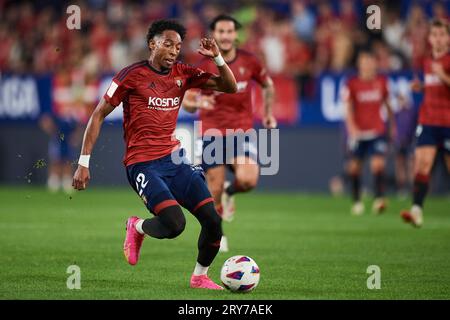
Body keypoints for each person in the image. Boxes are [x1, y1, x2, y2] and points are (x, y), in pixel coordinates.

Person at [72, 20, 237, 290]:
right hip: (142, 164)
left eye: (178, 46)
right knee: (174, 225)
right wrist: (83, 162)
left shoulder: (183, 74)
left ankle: (199, 276)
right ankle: (136, 227)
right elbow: (98, 114)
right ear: (152, 44)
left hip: (175, 160)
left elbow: (229, 87)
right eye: (168, 44)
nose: (174, 51)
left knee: (213, 221)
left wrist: (217, 57)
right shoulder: (130, 76)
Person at [182, 14, 276, 252]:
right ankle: (219, 235)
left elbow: (268, 85)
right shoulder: (202, 65)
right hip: (211, 133)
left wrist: (268, 113)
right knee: (212, 190)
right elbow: (188, 101)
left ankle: (230, 192)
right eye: (220, 31)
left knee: (247, 180)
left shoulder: (250, 61)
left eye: (229, 31)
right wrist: (198, 105)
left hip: (241, 131)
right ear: (214, 35)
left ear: (236, 35)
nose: (225, 36)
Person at [401, 19, 450, 227]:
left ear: (448, 38)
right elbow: (434, 86)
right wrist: (420, 87)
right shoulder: (427, 61)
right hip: (428, 119)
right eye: (434, 34)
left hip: (448, 122)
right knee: (422, 164)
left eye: (441, 34)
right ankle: (416, 210)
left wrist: (443, 76)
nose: (438, 38)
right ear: (430, 38)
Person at [343, 50, 396, 215]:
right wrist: (351, 127)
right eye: (364, 62)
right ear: (359, 64)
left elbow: (388, 104)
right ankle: (357, 201)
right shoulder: (351, 84)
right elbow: (348, 107)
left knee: (378, 164)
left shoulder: (382, 82)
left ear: (374, 63)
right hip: (359, 132)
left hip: (377, 130)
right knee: (354, 168)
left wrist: (392, 125)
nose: (367, 65)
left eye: (370, 62)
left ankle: (379, 199)